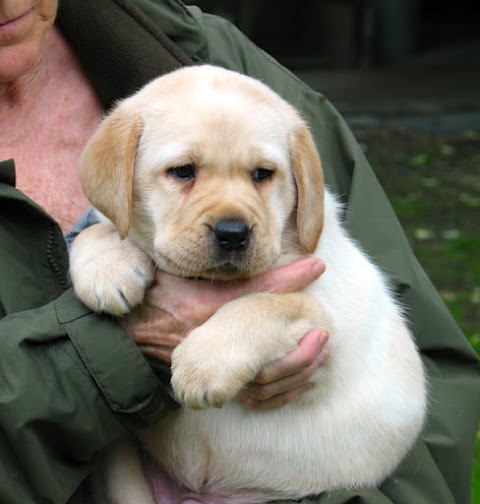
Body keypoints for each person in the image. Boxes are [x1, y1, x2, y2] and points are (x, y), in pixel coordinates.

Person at [0, 1, 478, 504]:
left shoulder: (215, 57)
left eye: (261, 175)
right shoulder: (135, 135)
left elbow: (413, 359)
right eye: (184, 172)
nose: (232, 220)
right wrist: (107, 320)